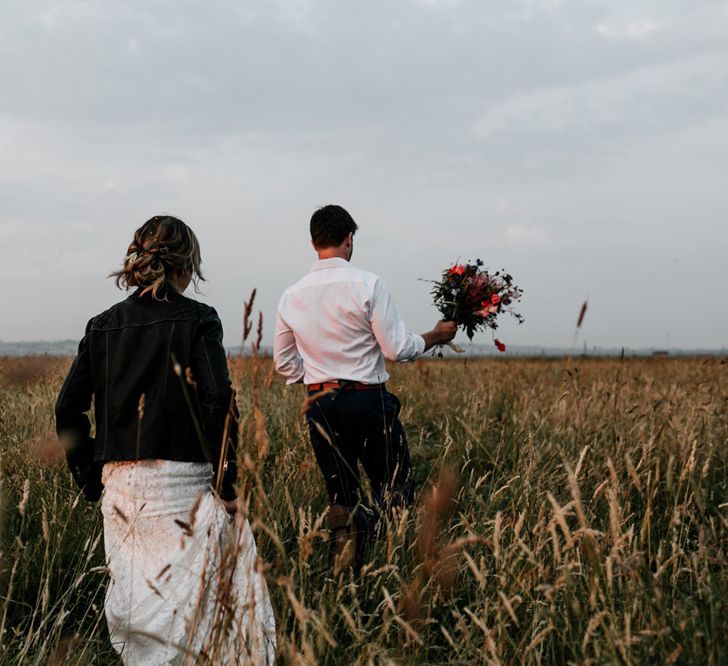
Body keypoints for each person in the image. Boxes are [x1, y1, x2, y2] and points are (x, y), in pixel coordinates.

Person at [55, 215, 275, 665]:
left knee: (140, 600)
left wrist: (90, 477)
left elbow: (67, 409)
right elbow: (218, 403)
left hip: (119, 487)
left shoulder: (101, 326)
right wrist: (228, 486)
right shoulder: (199, 319)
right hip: (186, 486)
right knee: (203, 606)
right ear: (186, 265)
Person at [273, 204, 456, 568]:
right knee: (394, 484)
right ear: (350, 239)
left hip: (320, 404)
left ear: (313, 243)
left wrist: (314, 380)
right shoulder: (368, 284)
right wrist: (436, 336)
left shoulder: (291, 295)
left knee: (341, 492)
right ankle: (389, 561)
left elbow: (283, 363)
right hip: (367, 400)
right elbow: (397, 349)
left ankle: (348, 565)